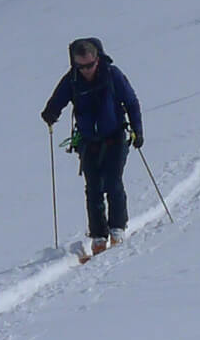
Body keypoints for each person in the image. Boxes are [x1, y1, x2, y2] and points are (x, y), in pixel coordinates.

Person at [41, 37, 144, 256]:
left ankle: (117, 229)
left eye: (90, 65)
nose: (87, 70)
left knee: (113, 182)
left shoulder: (112, 74)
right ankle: (98, 236)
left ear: (97, 58)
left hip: (115, 137)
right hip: (88, 142)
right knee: (93, 188)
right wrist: (50, 113)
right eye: (82, 66)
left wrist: (138, 130)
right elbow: (57, 100)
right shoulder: (72, 80)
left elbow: (131, 102)